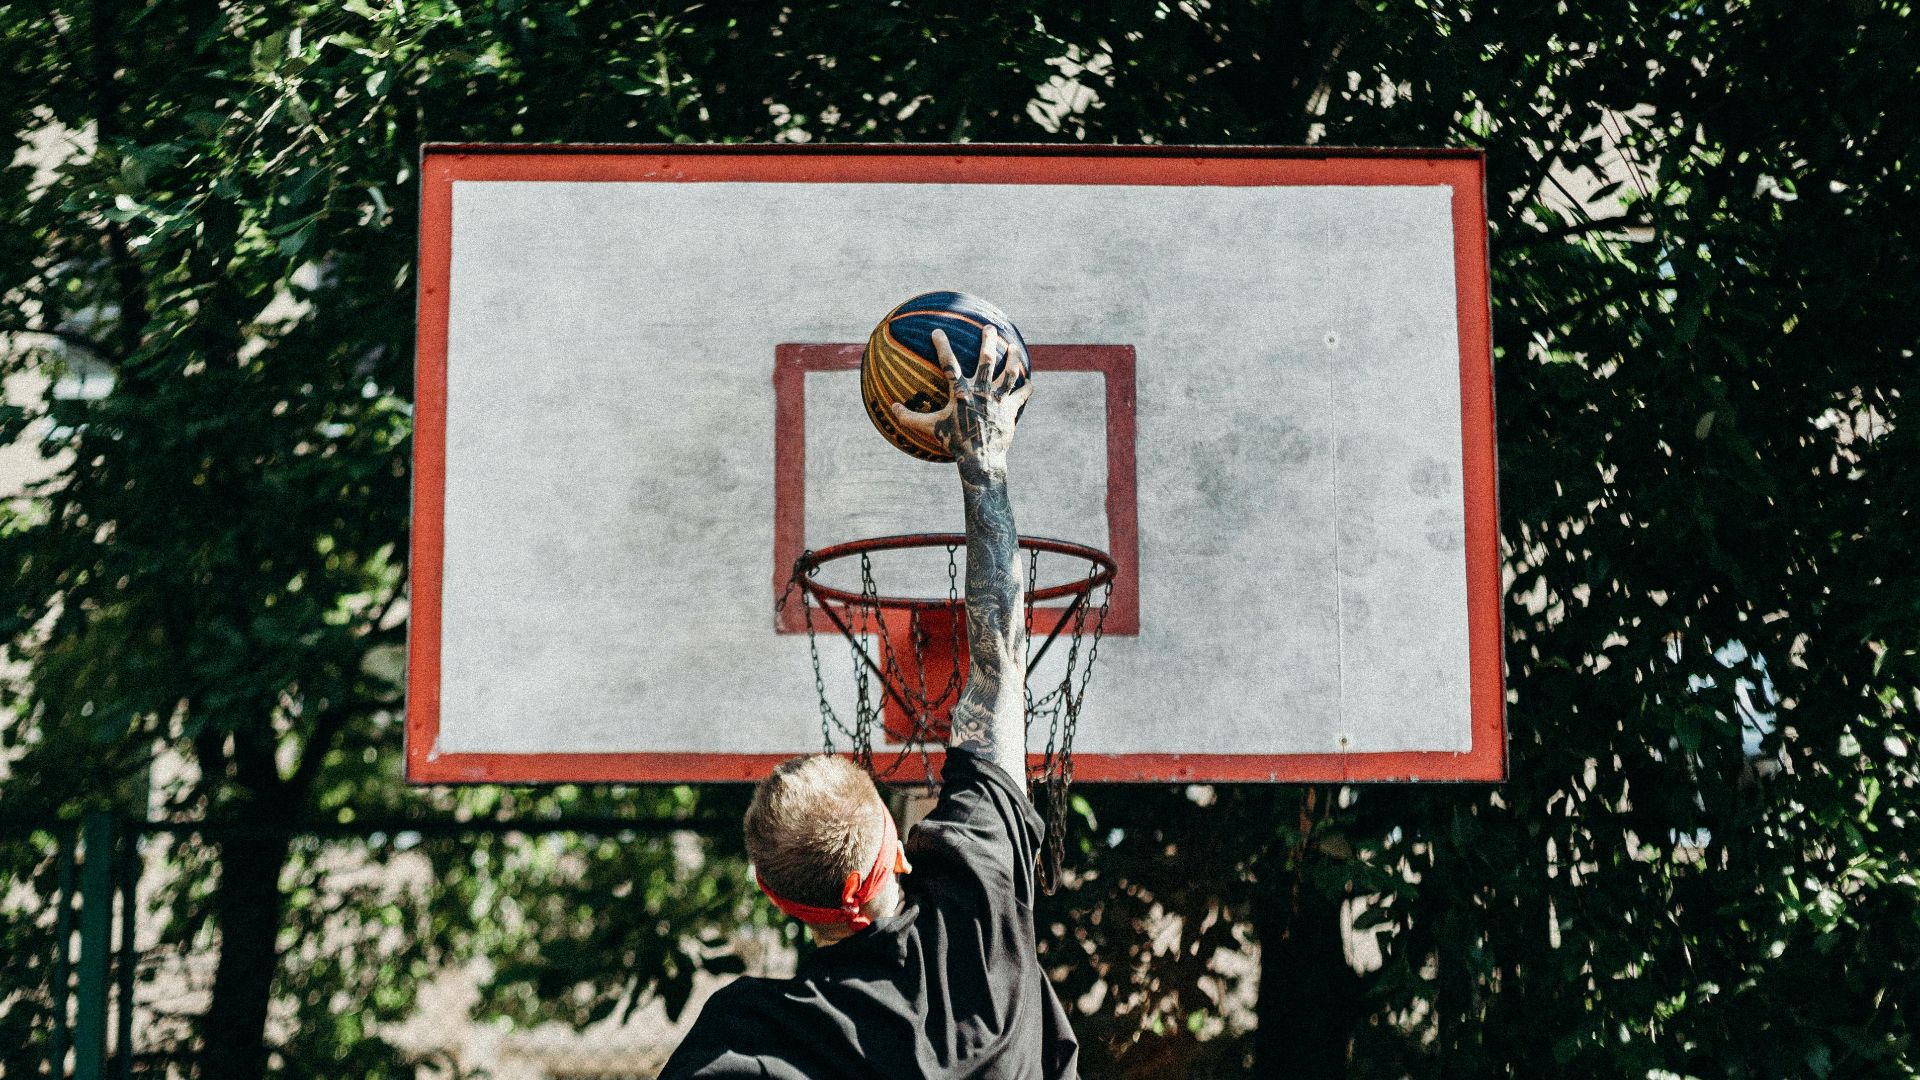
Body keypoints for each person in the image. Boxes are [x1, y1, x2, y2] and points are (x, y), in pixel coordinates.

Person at [659, 326, 1078, 1078]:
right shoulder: (978, 915)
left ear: (774, 894)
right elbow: (1000, 662)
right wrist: (983, 463)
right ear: (894, 843)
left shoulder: (752, 1040)